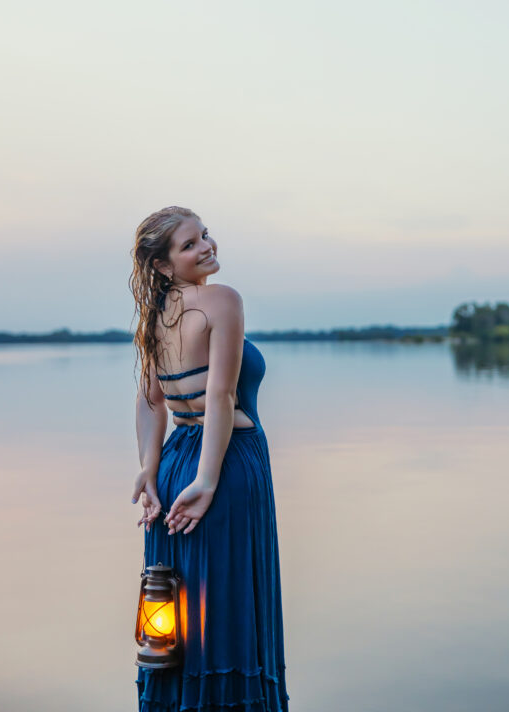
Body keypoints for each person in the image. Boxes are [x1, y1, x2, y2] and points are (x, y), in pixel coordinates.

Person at [129, 205, 290, 712]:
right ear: (162, 264)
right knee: (228, 600)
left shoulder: (156, 317)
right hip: (227, 462)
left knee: (177, 606)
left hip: (176, 460)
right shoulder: (222, 300)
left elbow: (151, 401)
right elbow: (221, 398)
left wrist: (150, 472)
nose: (206, 247)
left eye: (205, 236)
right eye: (190, 244)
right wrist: (207, 482)